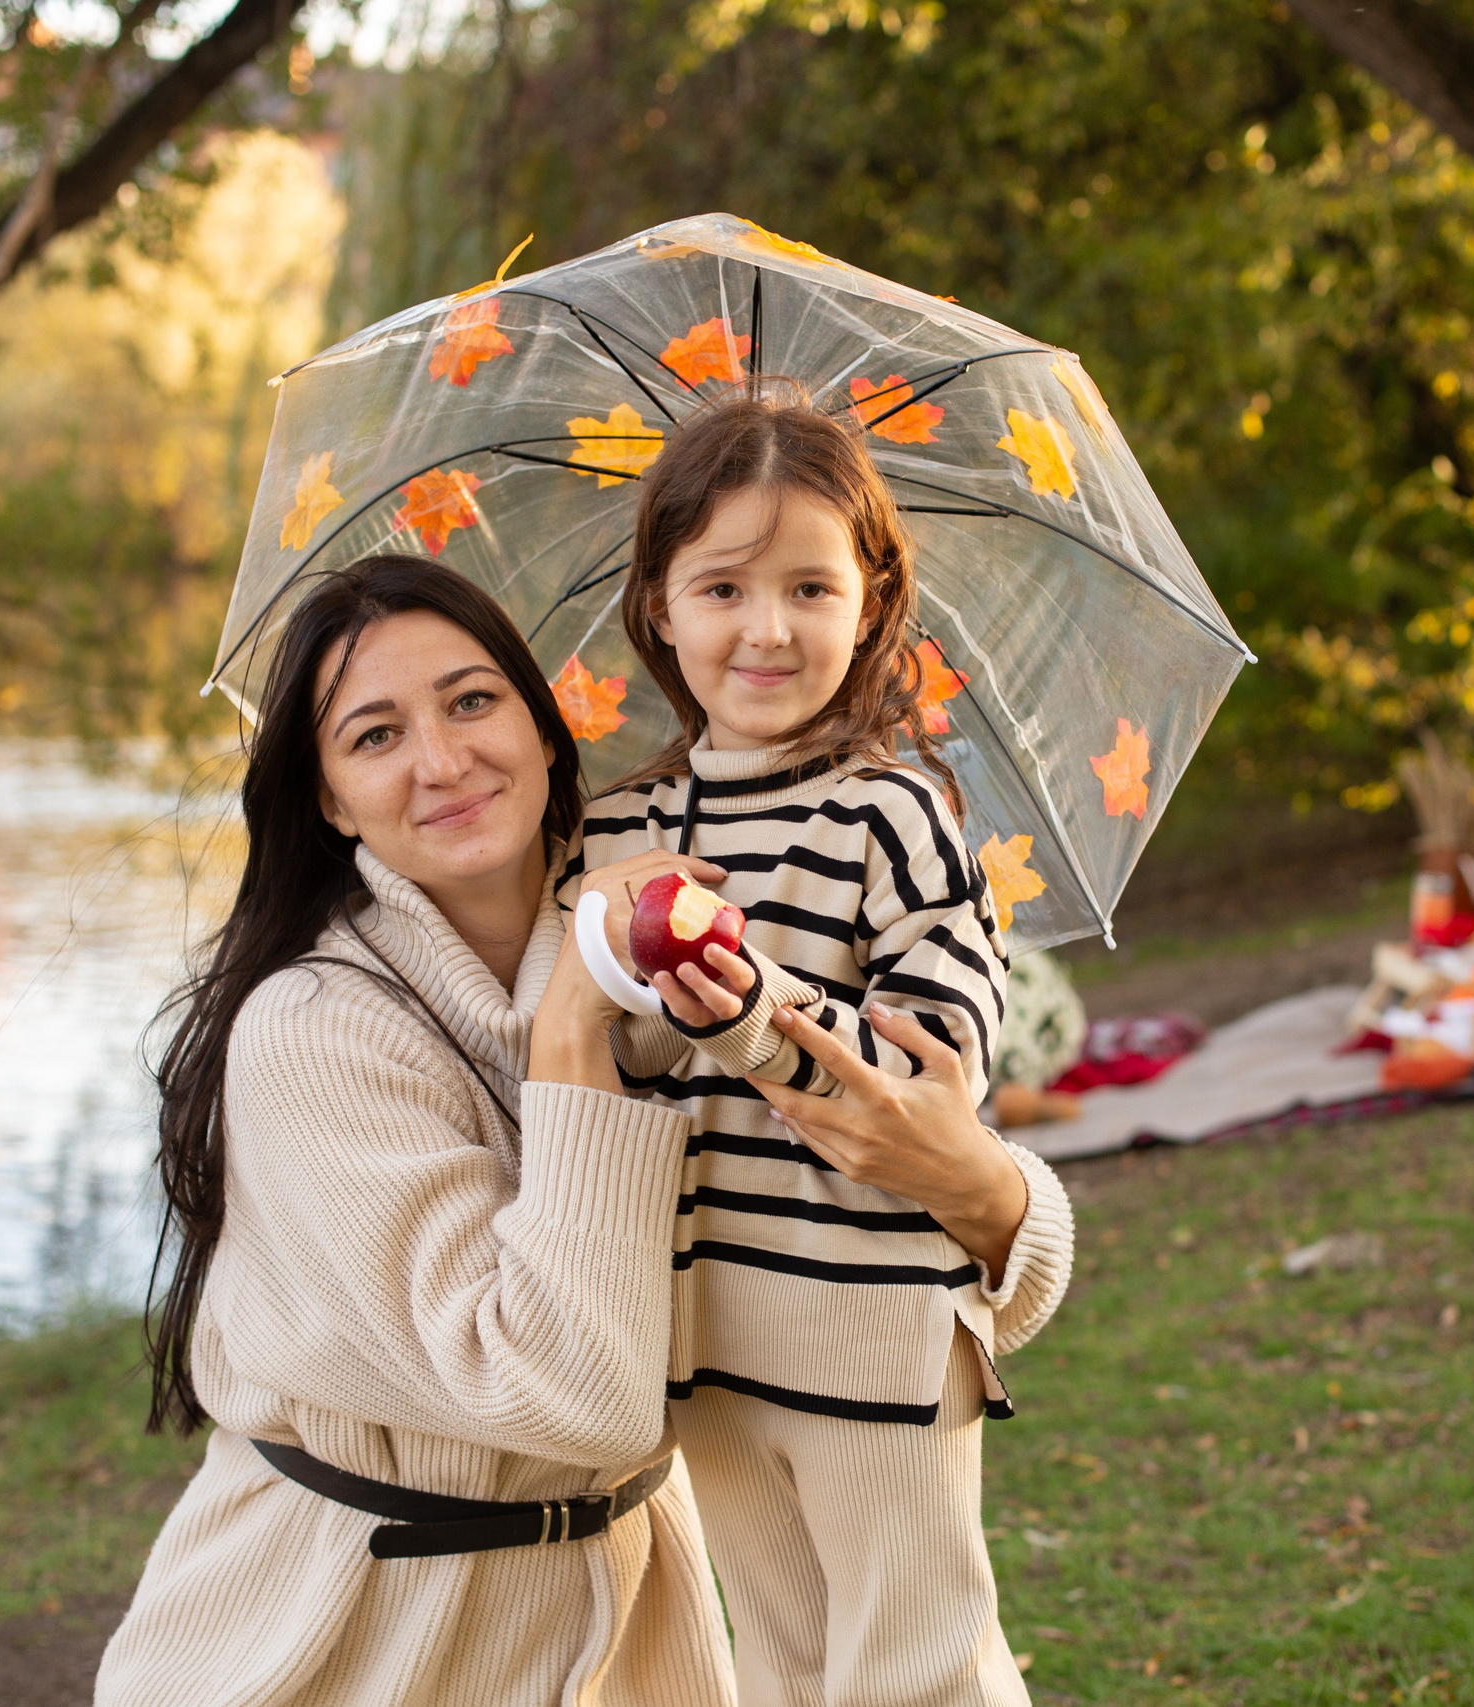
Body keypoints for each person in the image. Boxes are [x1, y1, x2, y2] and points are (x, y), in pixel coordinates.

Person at [96, 554, 1071, 1707]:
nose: (444, 760)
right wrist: (570, 1040)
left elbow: (942, 1240)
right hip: (353, 1638)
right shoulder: (313, 1034)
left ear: (543, 726)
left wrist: (994, 1197)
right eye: (374, 736)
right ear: (325, 797)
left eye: (472, 701)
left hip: (627, 1634)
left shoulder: (656, 930)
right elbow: (570, 1393)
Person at [562, 393, 1064, 1707]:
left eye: (809, 584)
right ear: (660, 605)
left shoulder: (897, 809)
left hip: (868, 1313)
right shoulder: (619, 828)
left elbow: (930, 1069)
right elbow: (599, 1070)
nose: (768, 627)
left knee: (917, 1664)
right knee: (785, 1666)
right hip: (707, 1322)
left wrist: (749, 1007)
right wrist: (641, 1005)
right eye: (722, 584)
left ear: (871, 594)